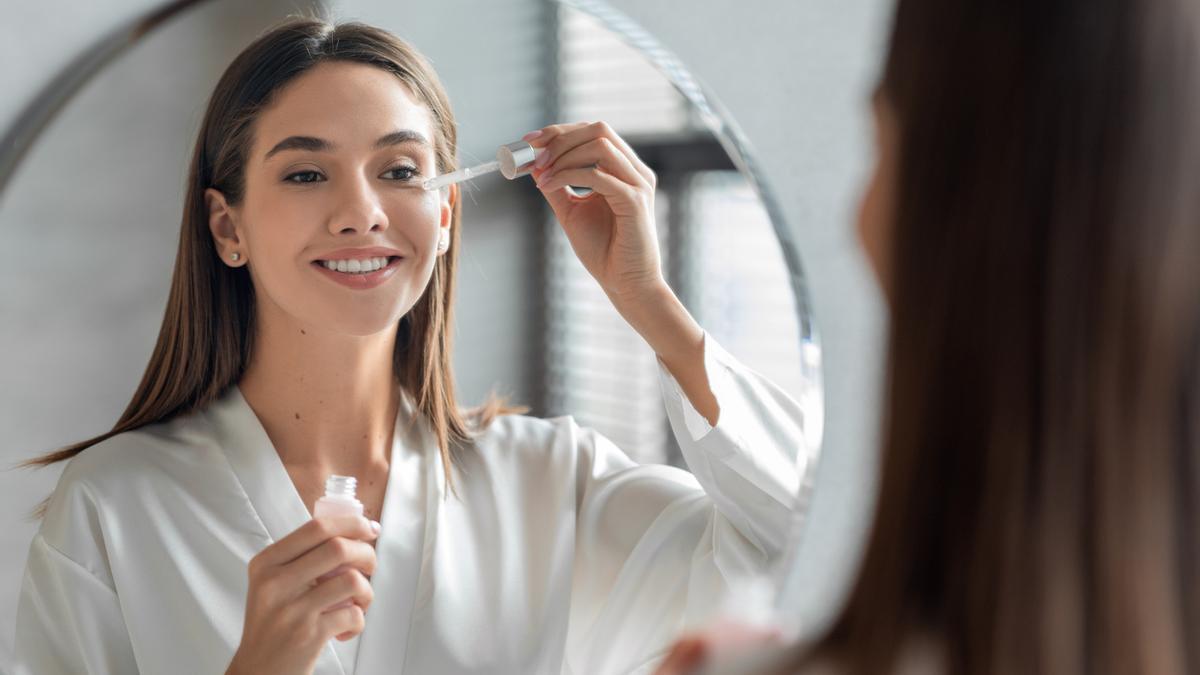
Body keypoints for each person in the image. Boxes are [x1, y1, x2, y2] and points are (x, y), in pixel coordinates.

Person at [12, 16, 809, 675]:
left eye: (399, 169)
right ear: (228, 227)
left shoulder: (552, 482)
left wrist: (651, 304)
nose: (361, 212)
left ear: (448, 214)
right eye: (305, 176)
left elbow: (802, 546)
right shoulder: (114, 504)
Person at [655, 0, 1200, 673]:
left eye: (883, 146)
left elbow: (760, 522)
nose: (857, 220)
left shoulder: (559, 469)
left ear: (955, 218)